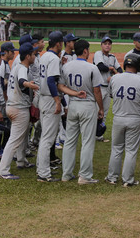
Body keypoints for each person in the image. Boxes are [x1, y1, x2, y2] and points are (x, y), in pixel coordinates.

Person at [36, 31, 86, 182]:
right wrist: (58, 101)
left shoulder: (44, 56)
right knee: (47, 138)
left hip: (42, 98)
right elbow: (52, 81)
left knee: (45, 137)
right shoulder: (52, 58)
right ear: (58, 43)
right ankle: (43, 174)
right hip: (50, 99)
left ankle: (41, 169)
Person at [60, 39, 104, 184]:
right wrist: (101, 108)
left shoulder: (67, 66)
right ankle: (84, 176)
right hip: (88, 105)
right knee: (87, 142)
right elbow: (97, 91)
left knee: (70, 141)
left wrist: (73, 93)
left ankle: (66, 174)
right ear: (85, 51)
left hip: (73, 105)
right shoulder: (92, 68)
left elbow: (60, 86)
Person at [106, 54, 140, 187]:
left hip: (118, 118)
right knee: (131, 150)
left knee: (116, 148)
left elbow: (111, 94)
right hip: (135, 119)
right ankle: (127, 180)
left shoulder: (114, 78)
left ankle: (112, 177)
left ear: (125, 65)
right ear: (138, 66)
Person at [0, 43, 39, 179]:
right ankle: (3, 170)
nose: (34, 56)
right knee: (15, 140)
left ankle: (21, 161)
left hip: (14, 106)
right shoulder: (22, 69)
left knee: (23, 135)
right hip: (18, 108)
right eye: (33, 54)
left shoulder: (16, 67)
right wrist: (29, 85)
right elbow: (22, 81)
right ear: (28, 56)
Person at [0, 42, 18, 160]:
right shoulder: (2, 65)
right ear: (5, 52)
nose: (14, 53)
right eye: (12, 51)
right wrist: (5, 100)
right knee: (1, 124)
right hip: (1, 100)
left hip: (4, 100)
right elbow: (1, 85)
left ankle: (2, 148)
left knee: (5, 124)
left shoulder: (6, 64)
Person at [93, 36, 123, 141]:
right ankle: (92, 135)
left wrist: (115, 73)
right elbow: (100, 66)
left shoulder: (112, 57)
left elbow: (120, 70)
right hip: (99, 88)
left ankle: (99, 135)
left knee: (104, 113)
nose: (107, 45)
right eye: (105, 43)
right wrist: (112, 69)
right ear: (101, 45)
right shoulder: (98, 54)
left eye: (109, 44)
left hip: (108, 88)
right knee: (97, 111)